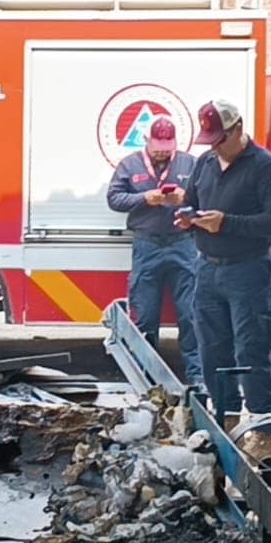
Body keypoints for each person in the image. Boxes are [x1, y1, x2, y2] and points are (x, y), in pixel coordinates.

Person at [175, 99, 271, 463]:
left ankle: (262, 429)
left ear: (238, 129)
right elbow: (191, 200)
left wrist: (227, 223)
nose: (213, 146)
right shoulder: (205, 163)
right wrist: (186, 217)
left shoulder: (264, 167)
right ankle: (226, 416)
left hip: (247, 269)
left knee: (251, 347)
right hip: (207, 267)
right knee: (212, 347)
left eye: (219, 139)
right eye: (209, 139)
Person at [106, 117, 203, 387]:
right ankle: (146, 379)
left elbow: (205, 198)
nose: (162, 151)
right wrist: (143, 198)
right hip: (146, 244)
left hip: (183, 244)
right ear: (146, 140)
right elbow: (114, 199)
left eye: (167, 146)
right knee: (145, 314)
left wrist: (185, 198)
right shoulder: (130, 164)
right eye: (158, 145)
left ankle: (197, 377)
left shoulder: (189, 164)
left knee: (190, 313)